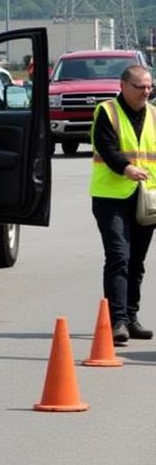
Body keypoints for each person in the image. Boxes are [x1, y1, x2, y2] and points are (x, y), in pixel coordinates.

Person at [90, 63, 156, 345]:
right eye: (140, 87)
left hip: (147, 198)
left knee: (137, 262)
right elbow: (106, 146)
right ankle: (117, 321)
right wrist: (126, 168)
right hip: (111, 197)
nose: (146, 92)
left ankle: (131, 316)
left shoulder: (154, 114)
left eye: (150, 86)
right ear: (123, 86)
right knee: (119, 256)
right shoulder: (106, 111)